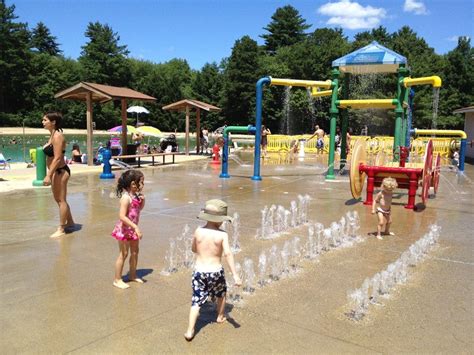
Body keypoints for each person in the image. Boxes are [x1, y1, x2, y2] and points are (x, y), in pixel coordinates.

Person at [184, 199, 242, 342]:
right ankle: (220, 316)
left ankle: (190, 330)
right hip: (215, 272)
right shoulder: (222, 235)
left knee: (196, 301)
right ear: (220, 220)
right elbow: (228, 254)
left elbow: (193, 249)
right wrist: (235, 275)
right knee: (221, 294)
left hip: (199, 272)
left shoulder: (198, 231)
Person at [42, 112, 75, 238]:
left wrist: (48, 175)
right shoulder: (52, 135)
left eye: (45, 120)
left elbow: (57, 158)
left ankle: (61, 228)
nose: (43, 122)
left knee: (61, 200)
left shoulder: (57, 136)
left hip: (60, 171)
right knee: (59, 200)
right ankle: (70, 222)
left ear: (53, 122)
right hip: (55, 171)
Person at [111, 169, 146, 289]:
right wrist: (135, 227)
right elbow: (121, 216)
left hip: (132, 230)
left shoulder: (135, 196)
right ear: (132, 184)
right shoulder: (126, 198)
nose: (143, 185)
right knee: (124, 254)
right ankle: (117, 279)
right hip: (124, 230)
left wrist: (143, 201)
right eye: (141, 182)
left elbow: (139, 209)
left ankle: (132, 275)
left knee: (135, 252)